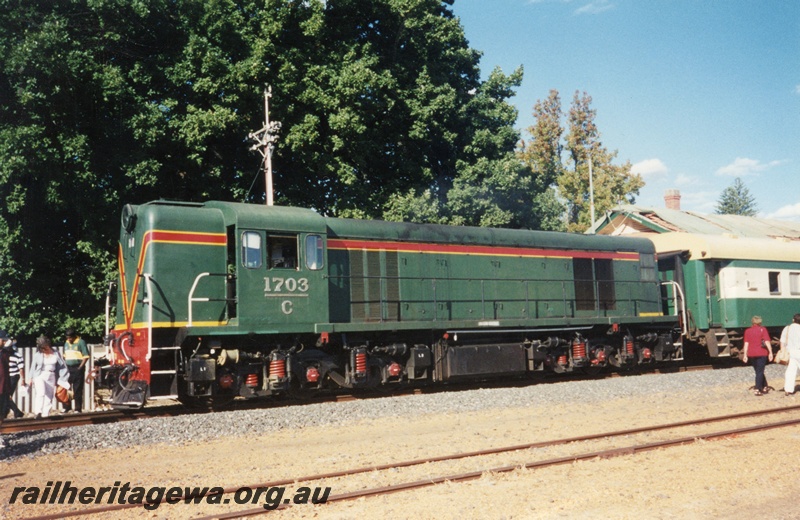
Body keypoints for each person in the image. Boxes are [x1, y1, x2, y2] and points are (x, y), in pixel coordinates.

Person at [28, 335, 69, 418]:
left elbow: (62, 366)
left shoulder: (56, 353)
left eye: (45, 347)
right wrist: (31, 378)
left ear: (48, 345)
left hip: (51, 375)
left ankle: (45, 413)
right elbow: (33, 367)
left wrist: (63, 378)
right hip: (40, 375)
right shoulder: (38, 354)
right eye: (42, 348)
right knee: (41, 393)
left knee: (49, 395)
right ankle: (38, 411)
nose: (44, 350)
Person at [741, 316, 773, 396]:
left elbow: (746, 344)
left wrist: (745, 355)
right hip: (762, 353)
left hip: (751, 354)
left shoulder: (747, 331)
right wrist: (770, 352)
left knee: (758, 371)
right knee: (760, 371)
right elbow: (767, 341)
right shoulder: (763, 329)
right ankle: (757, 389)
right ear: (760, 322)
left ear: (752, 322)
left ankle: (765, 386)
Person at [63, 328, 89, 413]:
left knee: (77, 389)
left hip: (78, 367)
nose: (69, 339)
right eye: (67, 337)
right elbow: (64, 355)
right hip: (68, 368)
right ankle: (67, 407)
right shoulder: (66, 343)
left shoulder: (81, 342)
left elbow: (86, 356)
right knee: (66, 387)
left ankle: (78, 408)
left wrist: (80, 367)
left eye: (70, 337)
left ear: (74, 336)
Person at [1, 335, 25, 418]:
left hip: (13, 376)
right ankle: (16, 412)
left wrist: (23, 379)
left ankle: (15, 411)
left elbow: (21, 368)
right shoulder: (4, 354)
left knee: (7, 395)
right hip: (6, 377)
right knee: (6, 396)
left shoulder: (17, 355)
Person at [780, 313, 800, 396]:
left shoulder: (787, 328)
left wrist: (782, 351)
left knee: (791, 371)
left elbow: (782, 341)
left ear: (793, 320)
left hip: (791, 352)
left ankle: (788, 389)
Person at [0, 330, 11, 448]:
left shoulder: (5, 352)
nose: (4, 342)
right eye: (2, 340)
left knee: (2, 414)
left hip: (3, 387)